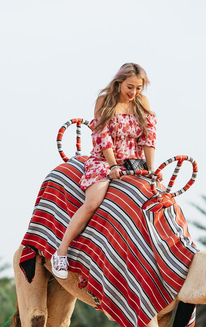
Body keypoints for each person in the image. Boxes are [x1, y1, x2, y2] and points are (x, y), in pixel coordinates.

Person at [51, 63, 158, 279]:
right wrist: (113, 166)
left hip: (133, 162)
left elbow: (149, 137)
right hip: (104, 160)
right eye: (130, 87)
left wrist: (151, 169)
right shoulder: (104, 101)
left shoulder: (141, 103)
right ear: (119, 82)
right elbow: (102, 138)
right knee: (92, 203)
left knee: (157, 198)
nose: (134, 92)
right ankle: (61, 252)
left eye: (138, 88)